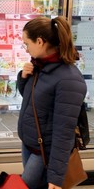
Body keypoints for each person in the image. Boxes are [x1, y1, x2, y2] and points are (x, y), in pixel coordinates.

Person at [17, 16, 87, 189]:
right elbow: (31, 100)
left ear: (39, 41)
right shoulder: (40, 67)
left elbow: (64, 133)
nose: (26, 49)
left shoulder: (68, 80)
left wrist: (55, 177)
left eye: (27, 44)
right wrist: (23, 78)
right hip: (30, 145)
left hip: (45, 154)